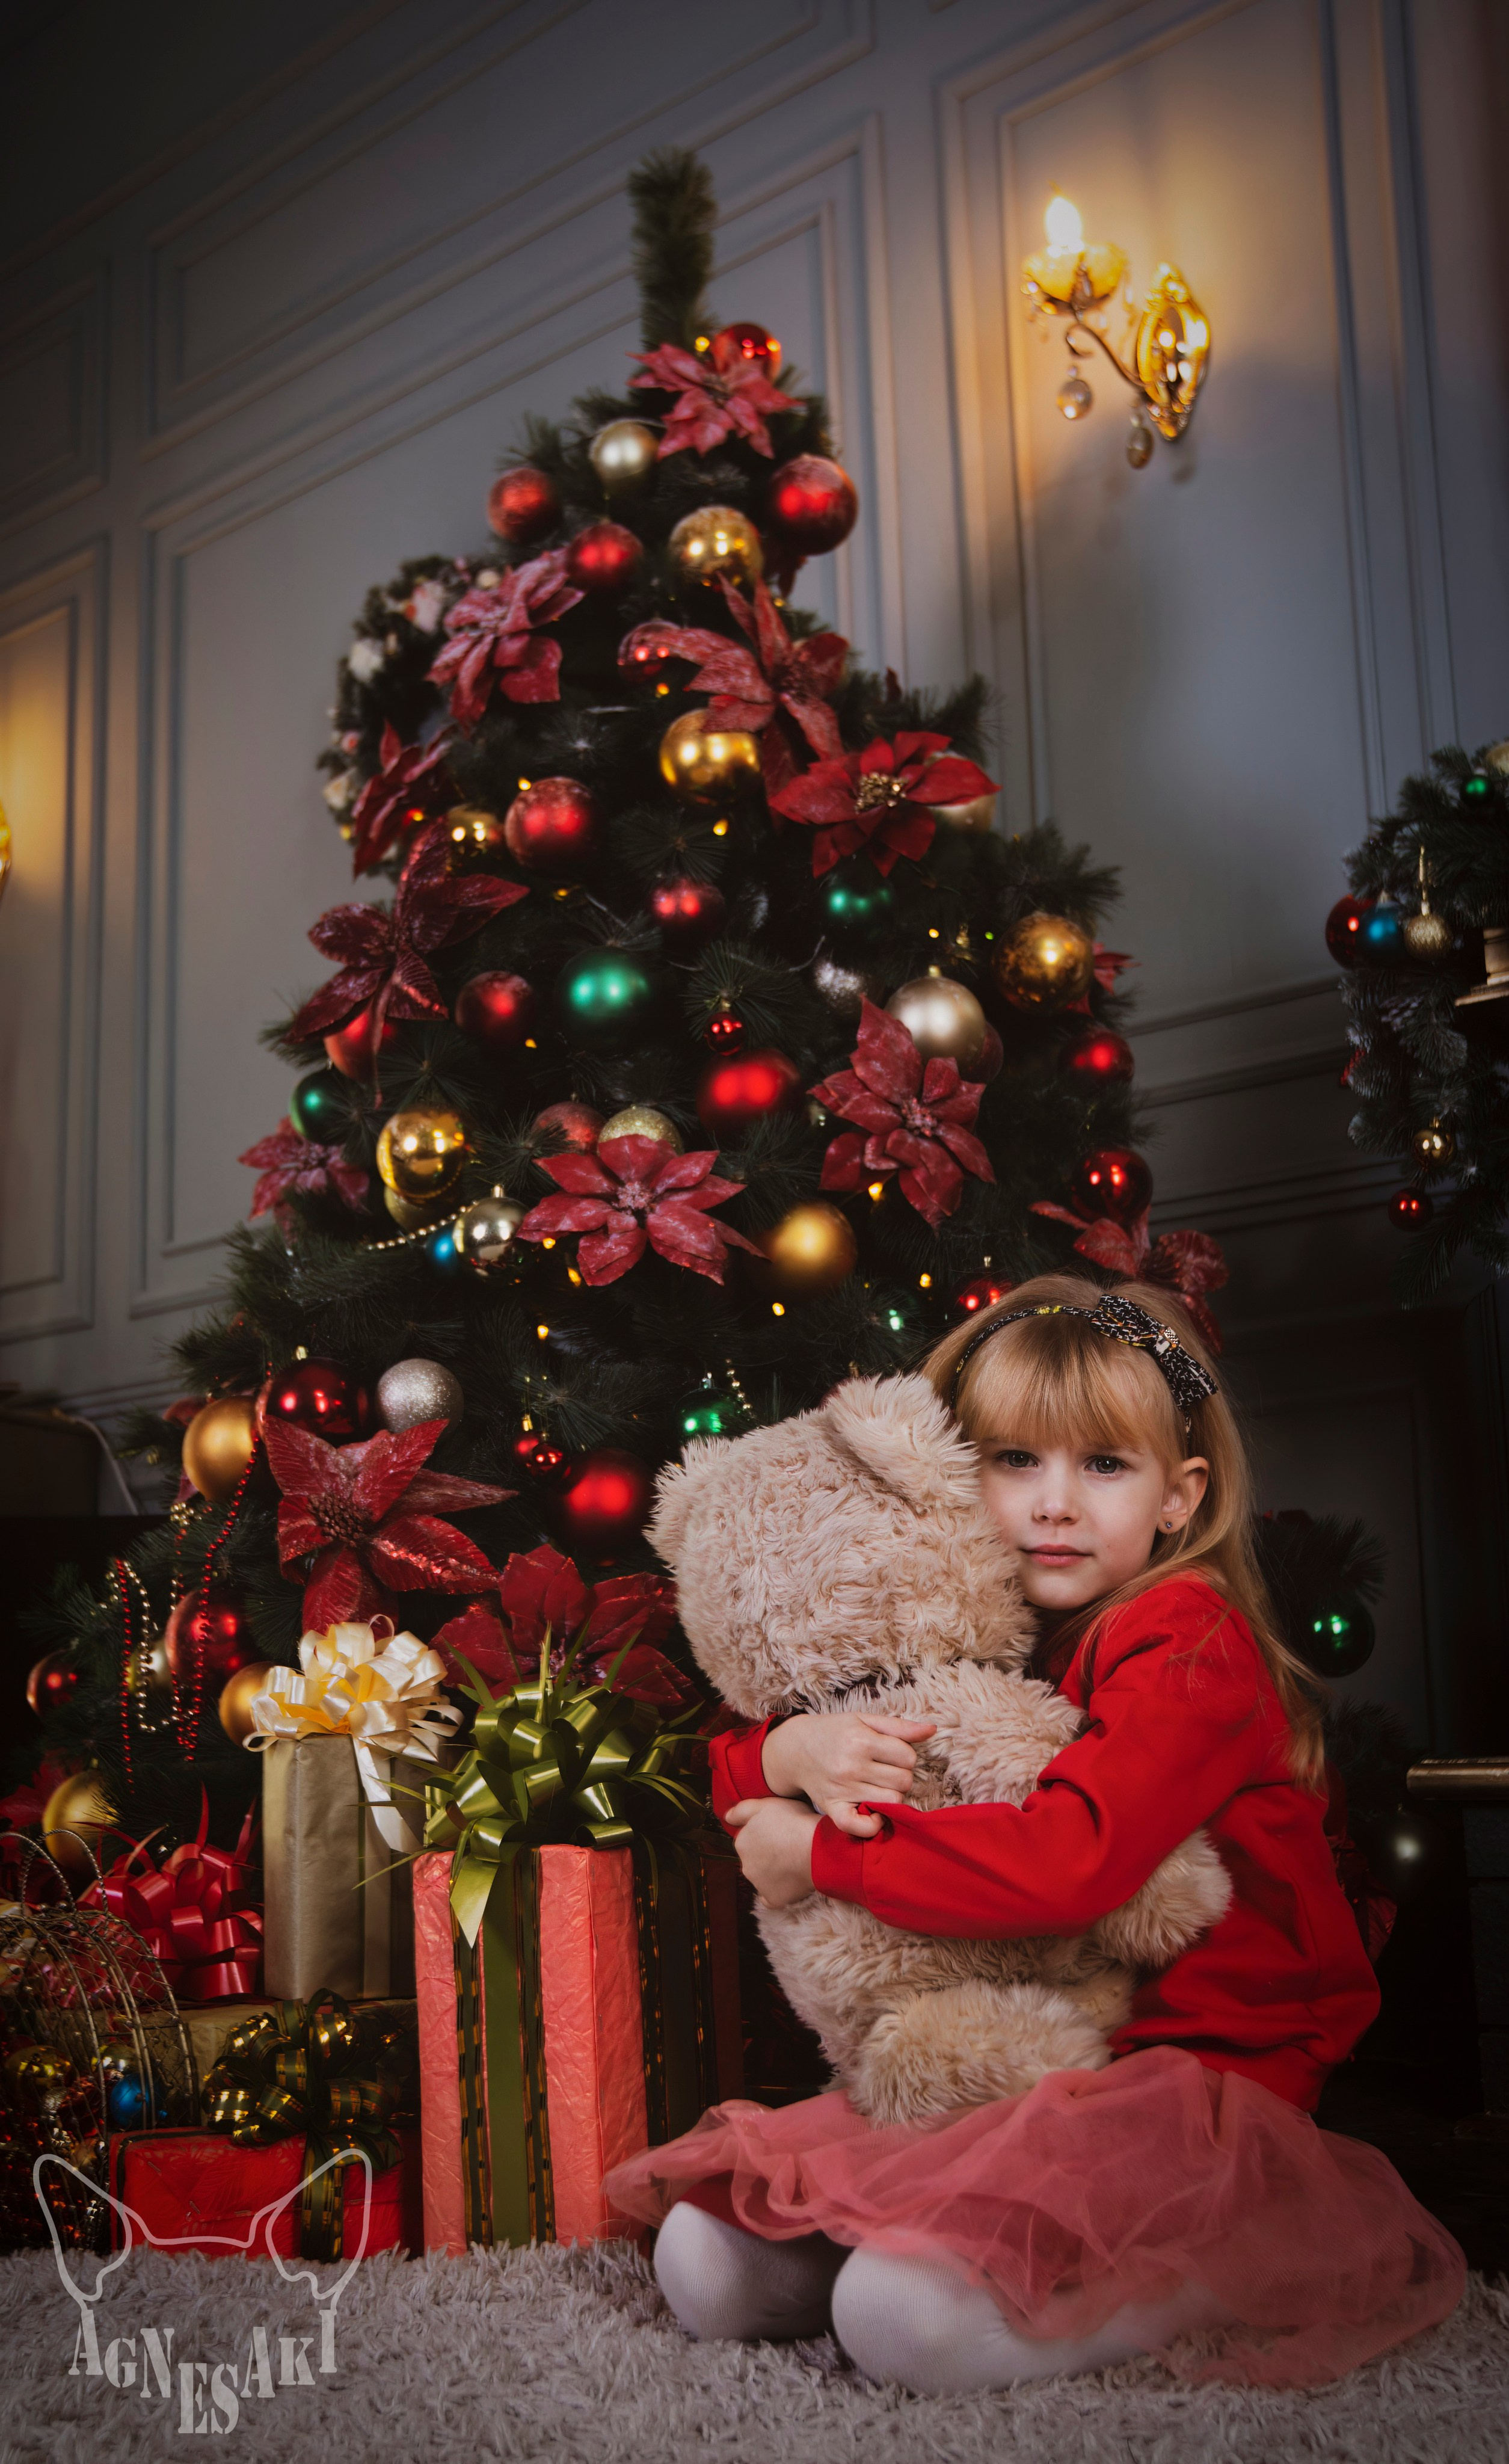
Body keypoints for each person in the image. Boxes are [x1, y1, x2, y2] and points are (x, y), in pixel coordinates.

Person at [605, 1276, 1466, 2392]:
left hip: (1198, 2081)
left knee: (897, 2321)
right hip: (1037, 2059)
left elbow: (1070, 1861)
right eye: (1016, 1461)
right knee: (703, 2261)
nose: (1055, 1503)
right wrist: (783, 1758)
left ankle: (1214, 2262)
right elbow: (776, 1732)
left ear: (1177, 1495)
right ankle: (939, 2251)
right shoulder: (994, 1625)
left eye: (1103, 1465)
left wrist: (818, 1853)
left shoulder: (1186, 1638)